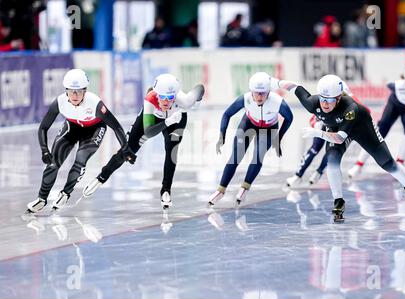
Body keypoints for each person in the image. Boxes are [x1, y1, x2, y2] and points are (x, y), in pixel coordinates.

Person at [275, 74, 405, 222]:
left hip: (361, 128)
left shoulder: (351, 107)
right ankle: (338, 200)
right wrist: (273, 83)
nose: (324, 104)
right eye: (322, 99)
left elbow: (340, 138)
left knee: (388, 164)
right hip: (336, 127)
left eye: (329, 100)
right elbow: (294, 87)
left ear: (339, 98)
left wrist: (318, 132)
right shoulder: (312, 102)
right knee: (332, 161)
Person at [83, 73, 204, 209]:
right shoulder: (150, 99)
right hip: (155, 120)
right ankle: (101, 177)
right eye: (162, 97)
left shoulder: (185, 101)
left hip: (177, 120)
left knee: (172, 152)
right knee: (128, 149)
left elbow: (200, 88)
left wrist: (196, 102)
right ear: (156, 94)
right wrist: (168, 121)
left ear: (175, 96)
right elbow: (149, 131)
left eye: (170, 98)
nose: (166, 101)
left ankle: (166, 190)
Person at [26, 69, 134, 213]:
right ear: (66, 91)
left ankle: (65, 193)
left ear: (85, 91)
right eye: (71, 91)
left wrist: (125, 148)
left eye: (78, 91)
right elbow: (43, 128)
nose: (75, 95)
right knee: (53, 163)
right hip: (73, 127)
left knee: (80, 158)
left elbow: (116, 127)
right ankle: (41, 199)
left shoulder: (95, 103)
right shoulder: (60, 102)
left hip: (94, 129)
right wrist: (44, 150)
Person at [208, 72, 293, 207]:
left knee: (258, 155)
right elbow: (226, 114)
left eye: (263, 93)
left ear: (269, 92)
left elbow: (289, 118)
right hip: (248, 123)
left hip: (269, 128)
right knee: (235, 157)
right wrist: (221, 135)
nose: (259, 97)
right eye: (256, 93)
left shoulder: (278, 102)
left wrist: (279, 137)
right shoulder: (245, 99)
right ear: (251, 91)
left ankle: (245, 188)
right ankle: (220, 190)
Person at [348, 62, 405, 179]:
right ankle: (359, 165)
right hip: (394, 106)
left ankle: (400, 164)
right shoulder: (396, 86)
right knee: (377, 134)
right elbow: (388, 85)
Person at [286, 81, 368, 187]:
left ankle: (318, 172)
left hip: (341, 127)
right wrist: (316, 124)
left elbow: (366, 114)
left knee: (331, 150)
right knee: (315, 148)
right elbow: (315, 115)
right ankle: (298, 175)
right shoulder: (324, 101)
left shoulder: (352, 101)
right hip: (326, 123)